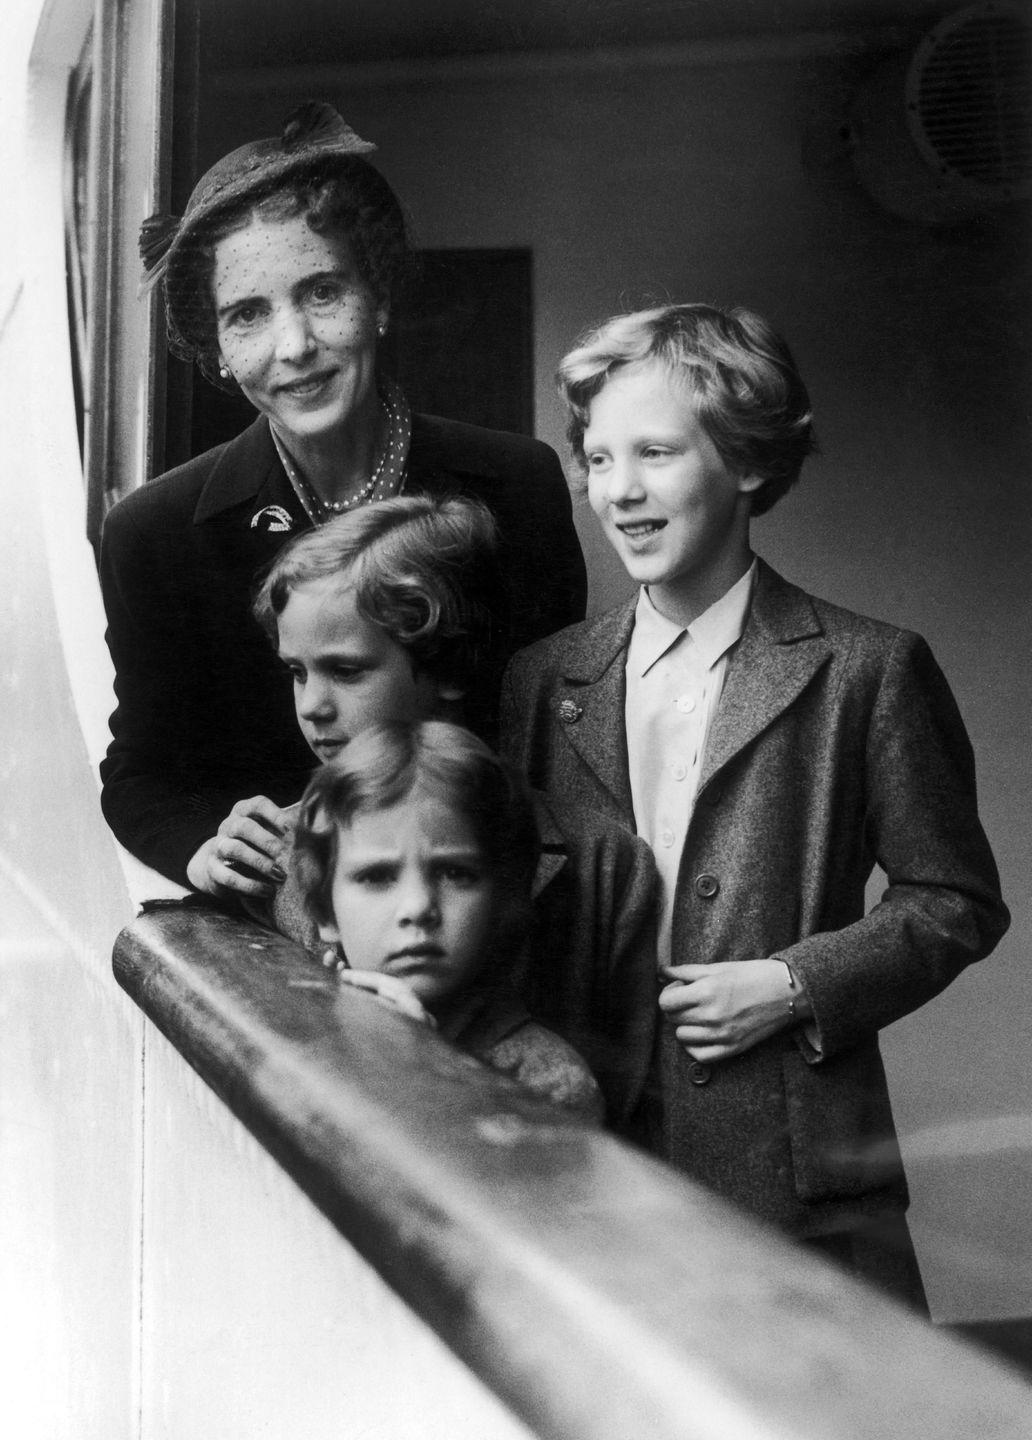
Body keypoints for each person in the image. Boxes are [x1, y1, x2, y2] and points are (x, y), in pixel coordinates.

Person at [499, 302, 1009, 1307]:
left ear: (744, 464)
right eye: (598, 459)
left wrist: (792, 983)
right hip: (588, 1151)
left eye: (654, 452)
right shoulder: (544, 678)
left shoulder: (869, 669)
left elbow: (954, 900)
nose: (621, 492)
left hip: (793, 1166)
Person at [99, 101, 586, 891]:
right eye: (248, 314)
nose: (294, 346)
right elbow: (139, 775)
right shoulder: (154, 533)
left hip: (485, 911)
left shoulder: (516, 486)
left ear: (381, 296)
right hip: (275, 934)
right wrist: (203, 845)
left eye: (322, 292)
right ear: (216, 349)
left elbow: (561, 744)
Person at [244, 493, 658, 1128]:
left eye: (346, 671)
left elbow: (622, 1095)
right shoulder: (287, 840)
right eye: (298, 673)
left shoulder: (602, 862)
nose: (312, 706)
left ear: (448, 665)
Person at [291, 719, 605, 1120]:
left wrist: (424, 1066)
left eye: (455, 873)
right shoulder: (303, 1037)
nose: (419, 906)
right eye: (376, 876)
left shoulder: (549, 1083)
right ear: (324, 911)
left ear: (503, 899)